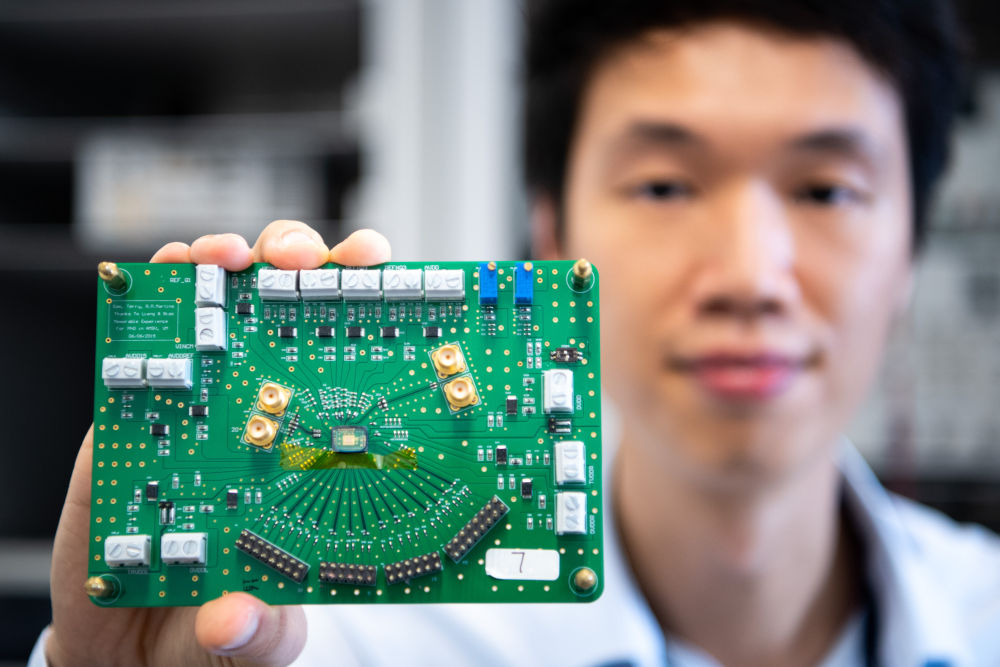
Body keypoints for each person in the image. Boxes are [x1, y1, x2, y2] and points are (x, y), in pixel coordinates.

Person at [31, 0, 1000, 665]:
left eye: (826, 189)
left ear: (911, 246)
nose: (749, 276)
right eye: (665, 185)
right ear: (551, 237)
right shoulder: (317, 640)